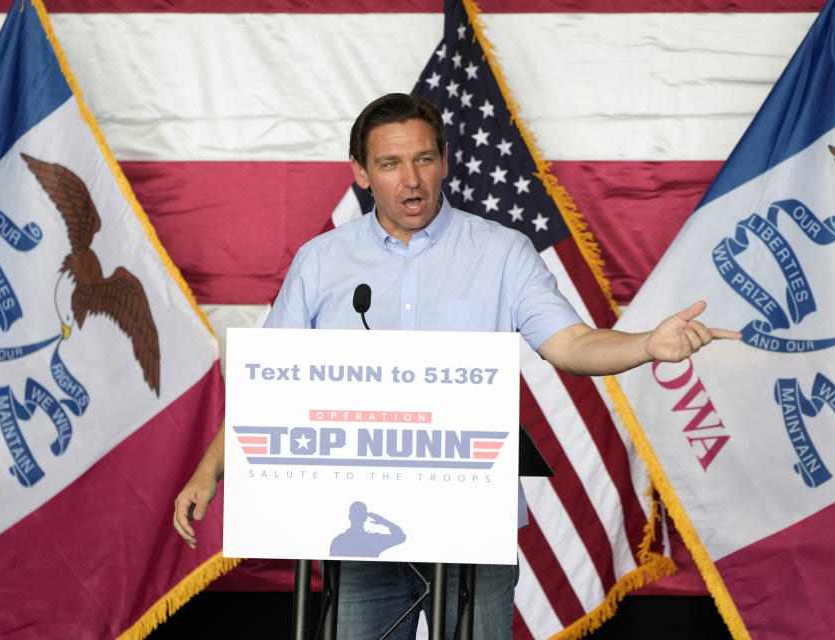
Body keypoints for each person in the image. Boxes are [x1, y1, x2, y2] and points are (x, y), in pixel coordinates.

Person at [173, 93, 741, 639]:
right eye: (390, 163)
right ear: (361, 173)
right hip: (356, 518)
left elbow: (570, 344)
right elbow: (272, 385)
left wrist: (645, 344)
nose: (411, 179)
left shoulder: (502, 252)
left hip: (470, 518)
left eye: (423, 159)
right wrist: (208, 471)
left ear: (444, 161)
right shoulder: (320, 261)